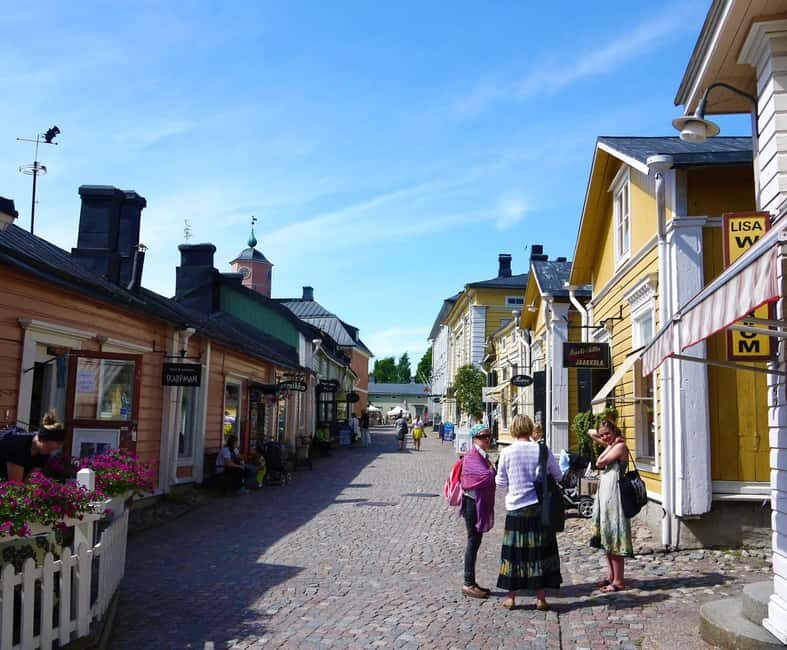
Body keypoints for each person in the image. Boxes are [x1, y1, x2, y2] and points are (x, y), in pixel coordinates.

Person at [495, 414, 563, 611]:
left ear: (514, 429)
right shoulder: (542, 449)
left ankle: (511, 598)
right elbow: (557, 475)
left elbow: (500, 483)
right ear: (531, 428)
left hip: (516, 508)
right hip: (539, 508)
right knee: (539, 553)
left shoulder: (507, 452)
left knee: (514, 554)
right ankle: (541, 598)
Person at [589, 418, 633, 591]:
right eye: (602, 435)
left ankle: (619, 581)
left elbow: (600, 463)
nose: (604, 437)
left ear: (615, 430)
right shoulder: (612, 445)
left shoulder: (620, 447)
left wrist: (612, 443)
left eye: (608, 433)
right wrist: (607, 441)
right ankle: (611, 576)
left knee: (615, 538)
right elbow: (590, 432)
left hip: (616, 498)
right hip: (605, 498)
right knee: (606, 537)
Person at [460, 423, 496, 599]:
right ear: (475, 438)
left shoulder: (482, 455)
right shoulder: (472, 456)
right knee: (473, 542)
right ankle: (468, 583)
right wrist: (491, 472)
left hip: (477, 503)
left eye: (489, 436)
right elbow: (474, 479)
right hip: (472, 504)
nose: (487, 439)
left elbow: (489, 474)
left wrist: (491, 472)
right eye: (483, 436)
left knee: (476, 542)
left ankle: (471, 581)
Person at [0, 411, 66, 482]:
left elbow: (29, 481)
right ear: (41, 439)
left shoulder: (44, 453)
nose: (50, 452)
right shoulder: (18, 446)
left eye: (52, 450)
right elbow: (15, 485)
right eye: (49, 448)